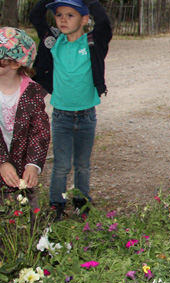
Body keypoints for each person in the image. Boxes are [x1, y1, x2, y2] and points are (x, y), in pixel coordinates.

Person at [30, 0, 112, 220]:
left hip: (87, 116)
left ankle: (81, 202)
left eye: (70, 15)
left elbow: (104, 22)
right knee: (61, 164)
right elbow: (36, 16)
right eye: (58, 15)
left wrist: (89, 2)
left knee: (82, 165)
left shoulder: (93, 42)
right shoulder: (53, 42)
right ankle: (56, 204)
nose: (63, 20)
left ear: (85, 19)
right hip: (61, 116)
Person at [0, 27, 50, 204]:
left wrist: (33, 164)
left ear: (15, 63)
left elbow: (40, 131)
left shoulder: (32, 91)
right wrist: (2, 162)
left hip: (21, 164)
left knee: (24, 214)